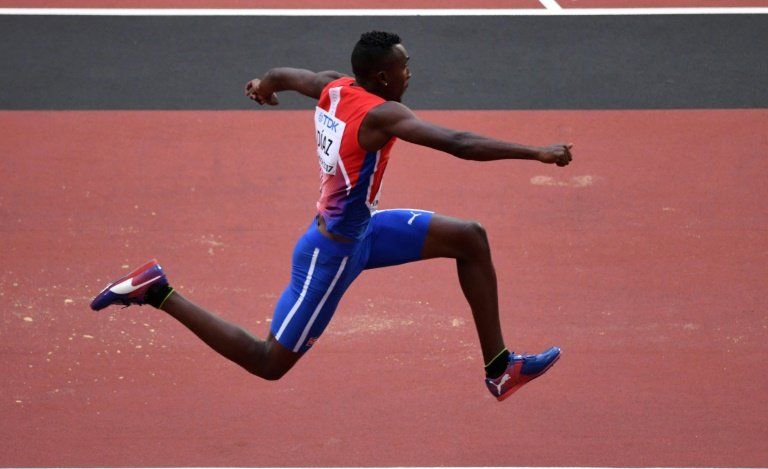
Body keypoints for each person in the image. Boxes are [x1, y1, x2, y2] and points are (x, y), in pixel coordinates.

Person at [91, 31, 572, 401]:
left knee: (470, 238)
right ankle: (158, 291)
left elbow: (284, 73)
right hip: (334, 251)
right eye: (405, 67)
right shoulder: (384, 114)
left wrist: (264, 86)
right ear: (383, 78)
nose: (410, 74)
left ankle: (499, 369)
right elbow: (459, 144)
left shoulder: (335, 87)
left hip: (363, 231)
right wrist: (538, 153)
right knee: (268, 362)